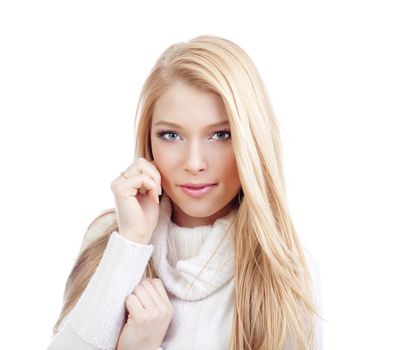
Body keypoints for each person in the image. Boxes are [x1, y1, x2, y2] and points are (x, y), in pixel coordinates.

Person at [46, 35, 324, 350]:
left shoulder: (283, 270)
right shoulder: (112, 242)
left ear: (251, 140)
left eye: (221, 134)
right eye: (171, 135)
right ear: (148, 140)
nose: (194, 163)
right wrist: (131, 242)